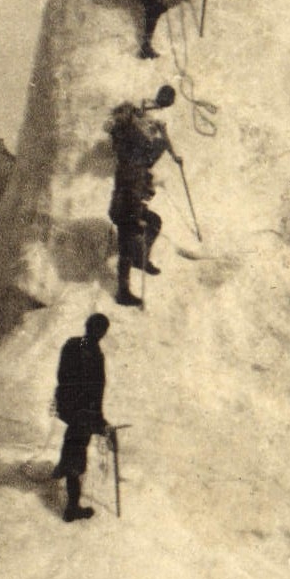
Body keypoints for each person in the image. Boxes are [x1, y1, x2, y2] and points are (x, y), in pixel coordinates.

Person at [106, 87, 182, 307]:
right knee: (126, 248)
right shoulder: (130, 166)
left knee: (154, 223)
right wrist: (138, 214)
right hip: (126, 209)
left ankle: (142, 258)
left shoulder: (135, 164)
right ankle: (123, 291)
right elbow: (131, 191)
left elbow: (142, 184)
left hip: (129, 206)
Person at [51, 313, 111, 522]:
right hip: (82, 414)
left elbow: (63, 378)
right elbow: (94, 391)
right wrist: (97, 419)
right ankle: (72, 508)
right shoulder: (93, 354)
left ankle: (62, 466)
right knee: (76, 457)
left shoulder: (73, 344)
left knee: (72, 443)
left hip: (71, 409)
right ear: (102, 332)